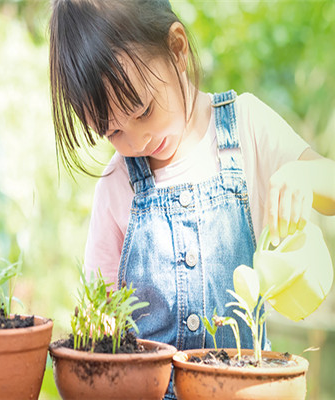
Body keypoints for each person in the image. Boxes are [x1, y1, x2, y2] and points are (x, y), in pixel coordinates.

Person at [49, 0, 335, 397]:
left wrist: (305, 175)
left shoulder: (246, 126)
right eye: (113, 132)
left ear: (177, 49)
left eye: (145, 109)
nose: (138, 140)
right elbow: (103, 313)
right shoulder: (116, 183)